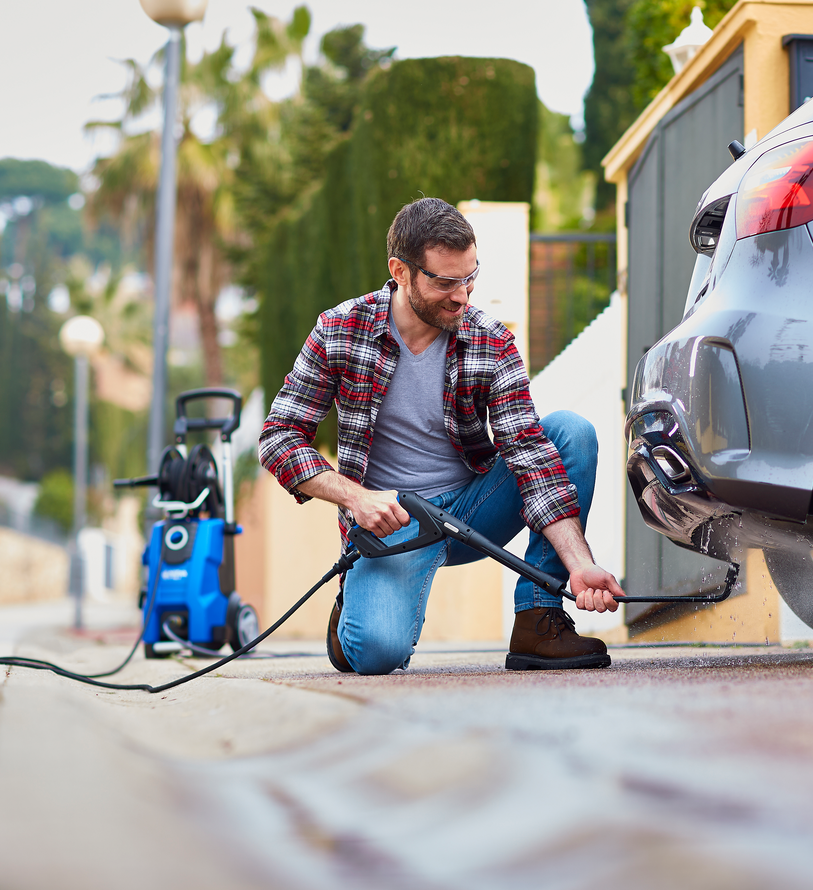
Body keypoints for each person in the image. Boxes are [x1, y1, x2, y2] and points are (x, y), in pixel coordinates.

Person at [259, 197, 626, 674]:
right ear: (401, 271)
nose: (463, 296)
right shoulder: (339, 329)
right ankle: (355, 601)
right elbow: (279, 437)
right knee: (376, 656)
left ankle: (539, 618)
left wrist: (578, 563)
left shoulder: (490, 340)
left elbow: (530, 455)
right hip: (393, 522)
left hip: (474, 512)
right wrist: (357, 499)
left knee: (569, 433)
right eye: (447, 282)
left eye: (470, 277)